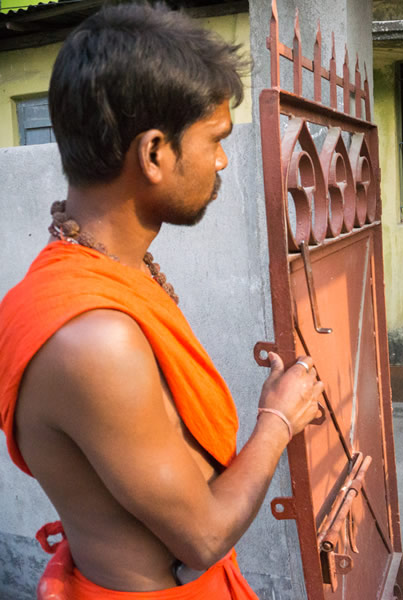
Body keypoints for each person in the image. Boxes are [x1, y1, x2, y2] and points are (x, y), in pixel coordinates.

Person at [0, 4, 323, 598]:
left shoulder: (101, 271)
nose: (223, 160)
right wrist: (280, 418)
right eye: (215, 140)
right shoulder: (93, 338)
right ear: (154, 153)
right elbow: (200, 538)